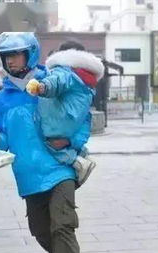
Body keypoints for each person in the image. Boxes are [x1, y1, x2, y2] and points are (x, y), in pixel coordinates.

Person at [0, 32, 84, 253]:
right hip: (28, 174)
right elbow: (2, 139)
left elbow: (80, 115)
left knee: (62, 224)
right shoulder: (0, 101)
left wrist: (71, 140)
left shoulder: (52, 83)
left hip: (59, 166)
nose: (11, 62)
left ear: (30, 54)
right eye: (7, 56)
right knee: (40, 229)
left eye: (16, 55)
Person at [26, 39, 104, 185]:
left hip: (58, 122)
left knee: (47, 142)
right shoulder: (87, 82)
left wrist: (43, 87)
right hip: (72, 122)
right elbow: (86, 120)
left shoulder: (63, 70)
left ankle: (78, 162)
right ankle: (81, 154)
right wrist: (72, 141)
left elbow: (57, 81)